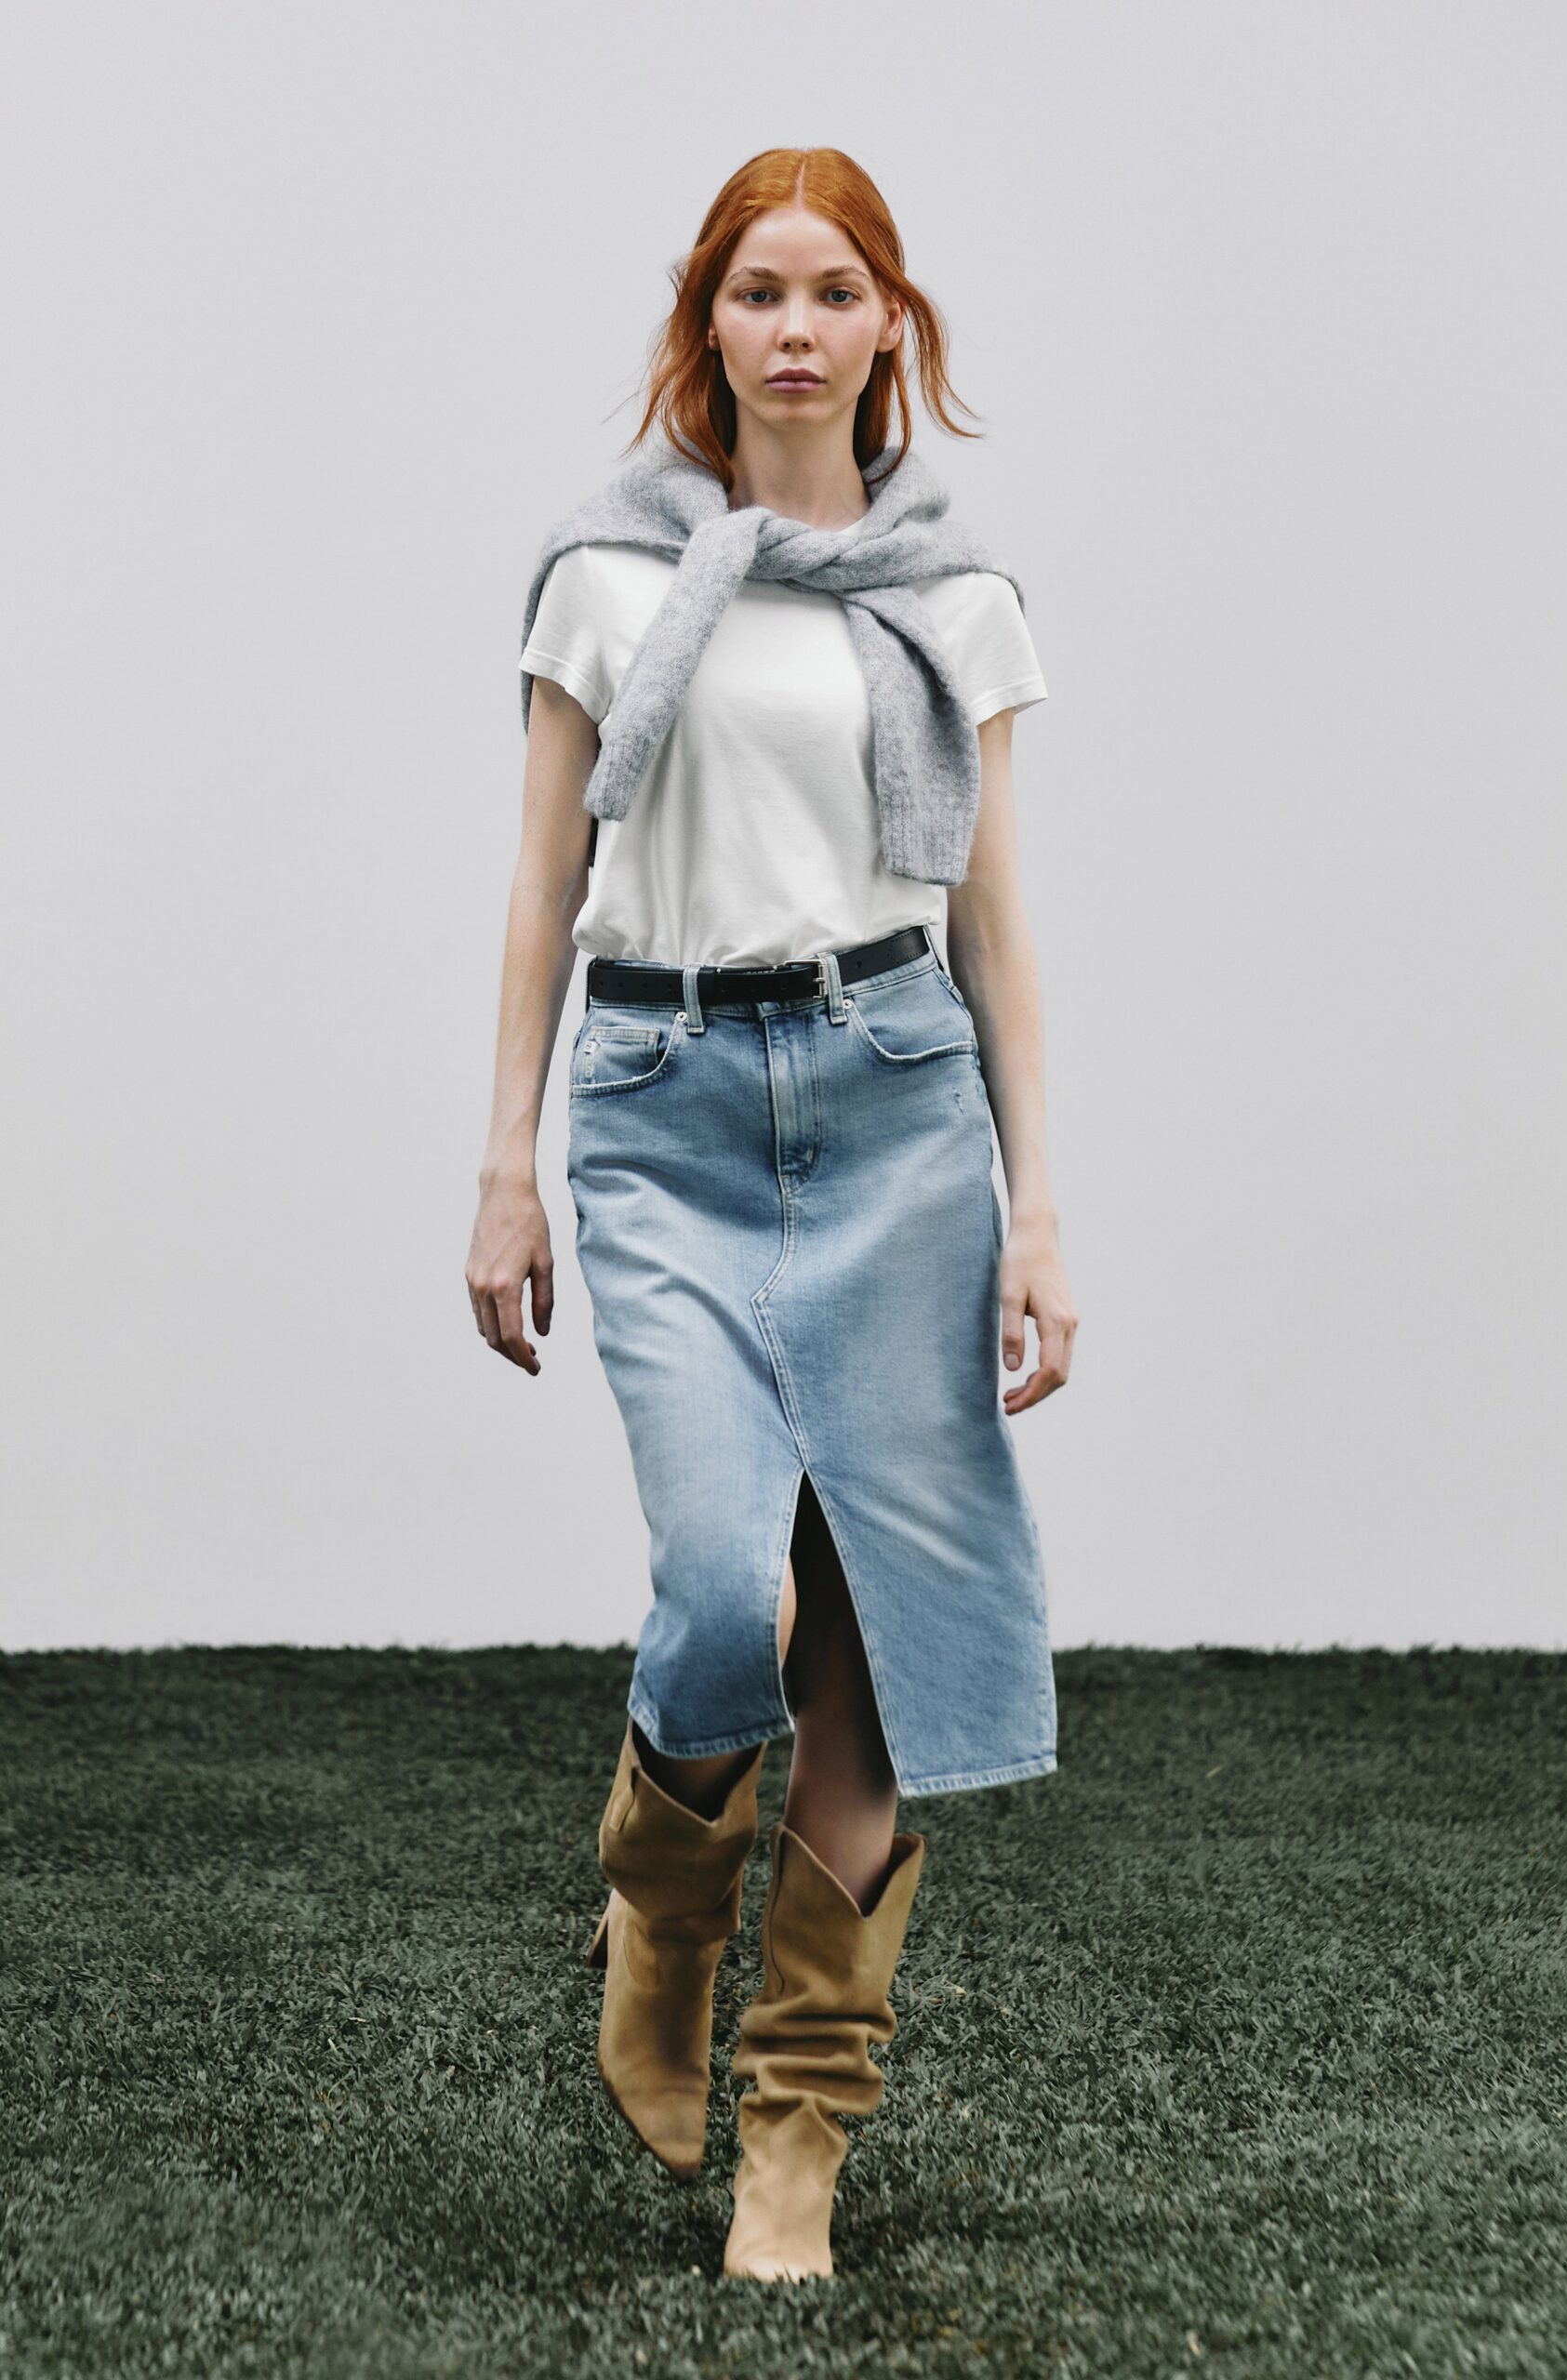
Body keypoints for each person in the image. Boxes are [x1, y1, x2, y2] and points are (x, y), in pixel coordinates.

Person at [466, 145, 1078, 2284]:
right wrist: (503, 1161)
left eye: (833, 289)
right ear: (702, 322)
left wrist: (1034, 1211)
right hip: (661, 1103)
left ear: (889, 322)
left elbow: (993, 924)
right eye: (754, 290)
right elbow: (543, 881)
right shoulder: (603, 578)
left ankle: (795, 2136)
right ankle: (658, 1892)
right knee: (723, 1590)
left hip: (901, 1108)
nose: (793, 326)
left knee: (871, 1646)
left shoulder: (952, 595)